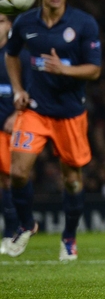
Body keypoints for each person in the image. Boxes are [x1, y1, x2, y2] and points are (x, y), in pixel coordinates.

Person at [4, 0, 102, 260]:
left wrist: (65, 70)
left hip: (70, 112)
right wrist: (19, 89)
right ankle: (25, 224)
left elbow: (95, 70)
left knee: (72, 180)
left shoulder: (83, 24)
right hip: (35, 109)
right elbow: (10, 56)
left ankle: (69, 237)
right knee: (17, 172)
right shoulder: (24, 23)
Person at [0, 14, 30, 255]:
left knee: (9, 179)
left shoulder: (18, 57)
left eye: (0, 21)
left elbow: (31, 90)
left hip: (12, 126)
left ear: (10, 26)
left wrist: (15, 115)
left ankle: (13, 230)